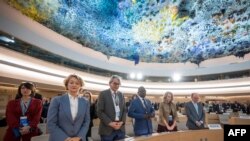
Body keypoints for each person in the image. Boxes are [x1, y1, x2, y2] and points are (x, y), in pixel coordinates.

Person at [47, 74, 90, 141]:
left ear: (80, 86)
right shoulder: (57, 100)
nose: (74, 85)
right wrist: (66, 138)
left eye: (77, 83)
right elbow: (51, 123)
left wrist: (79, 137)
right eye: (71, 82)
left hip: (78, 139)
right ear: (67, 85)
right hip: (59, 138)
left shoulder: (85, 102)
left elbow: (86, 121)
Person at [97, 75, 126, 141]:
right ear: (110, 83)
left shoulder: (121, 94)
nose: (117, 85)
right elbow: (99, 111)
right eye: (115, 83)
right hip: (107, 129)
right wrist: (110, 123)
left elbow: (124, 110)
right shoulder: (103, 94)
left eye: (118, 84)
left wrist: (121, 122)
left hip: (120, 129)